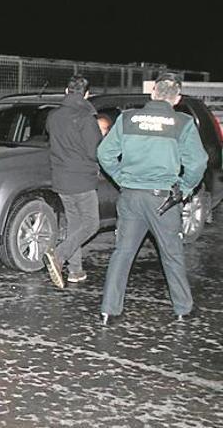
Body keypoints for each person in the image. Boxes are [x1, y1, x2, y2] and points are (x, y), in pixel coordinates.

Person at [96, 72, 207, 324]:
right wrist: (185, 186)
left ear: (153, 92)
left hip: (131, 197)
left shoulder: (127, 119)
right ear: (176, 98)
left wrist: (121, 178)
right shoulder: (183, 123)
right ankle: (182, 308)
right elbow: (199, 161)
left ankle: (108, 310)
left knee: (122, 252)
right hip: (163, 200)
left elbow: (104, 153)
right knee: (172, 254)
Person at [42, 75, 102, 287]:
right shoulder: (86, 118)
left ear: (67, 91)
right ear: (87, 94)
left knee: (76, 225)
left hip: (61, 179)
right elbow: (95, 152)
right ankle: (58, 256)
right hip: (82, 180)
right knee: (91, 223)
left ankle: (76, 271)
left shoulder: (53, 116)